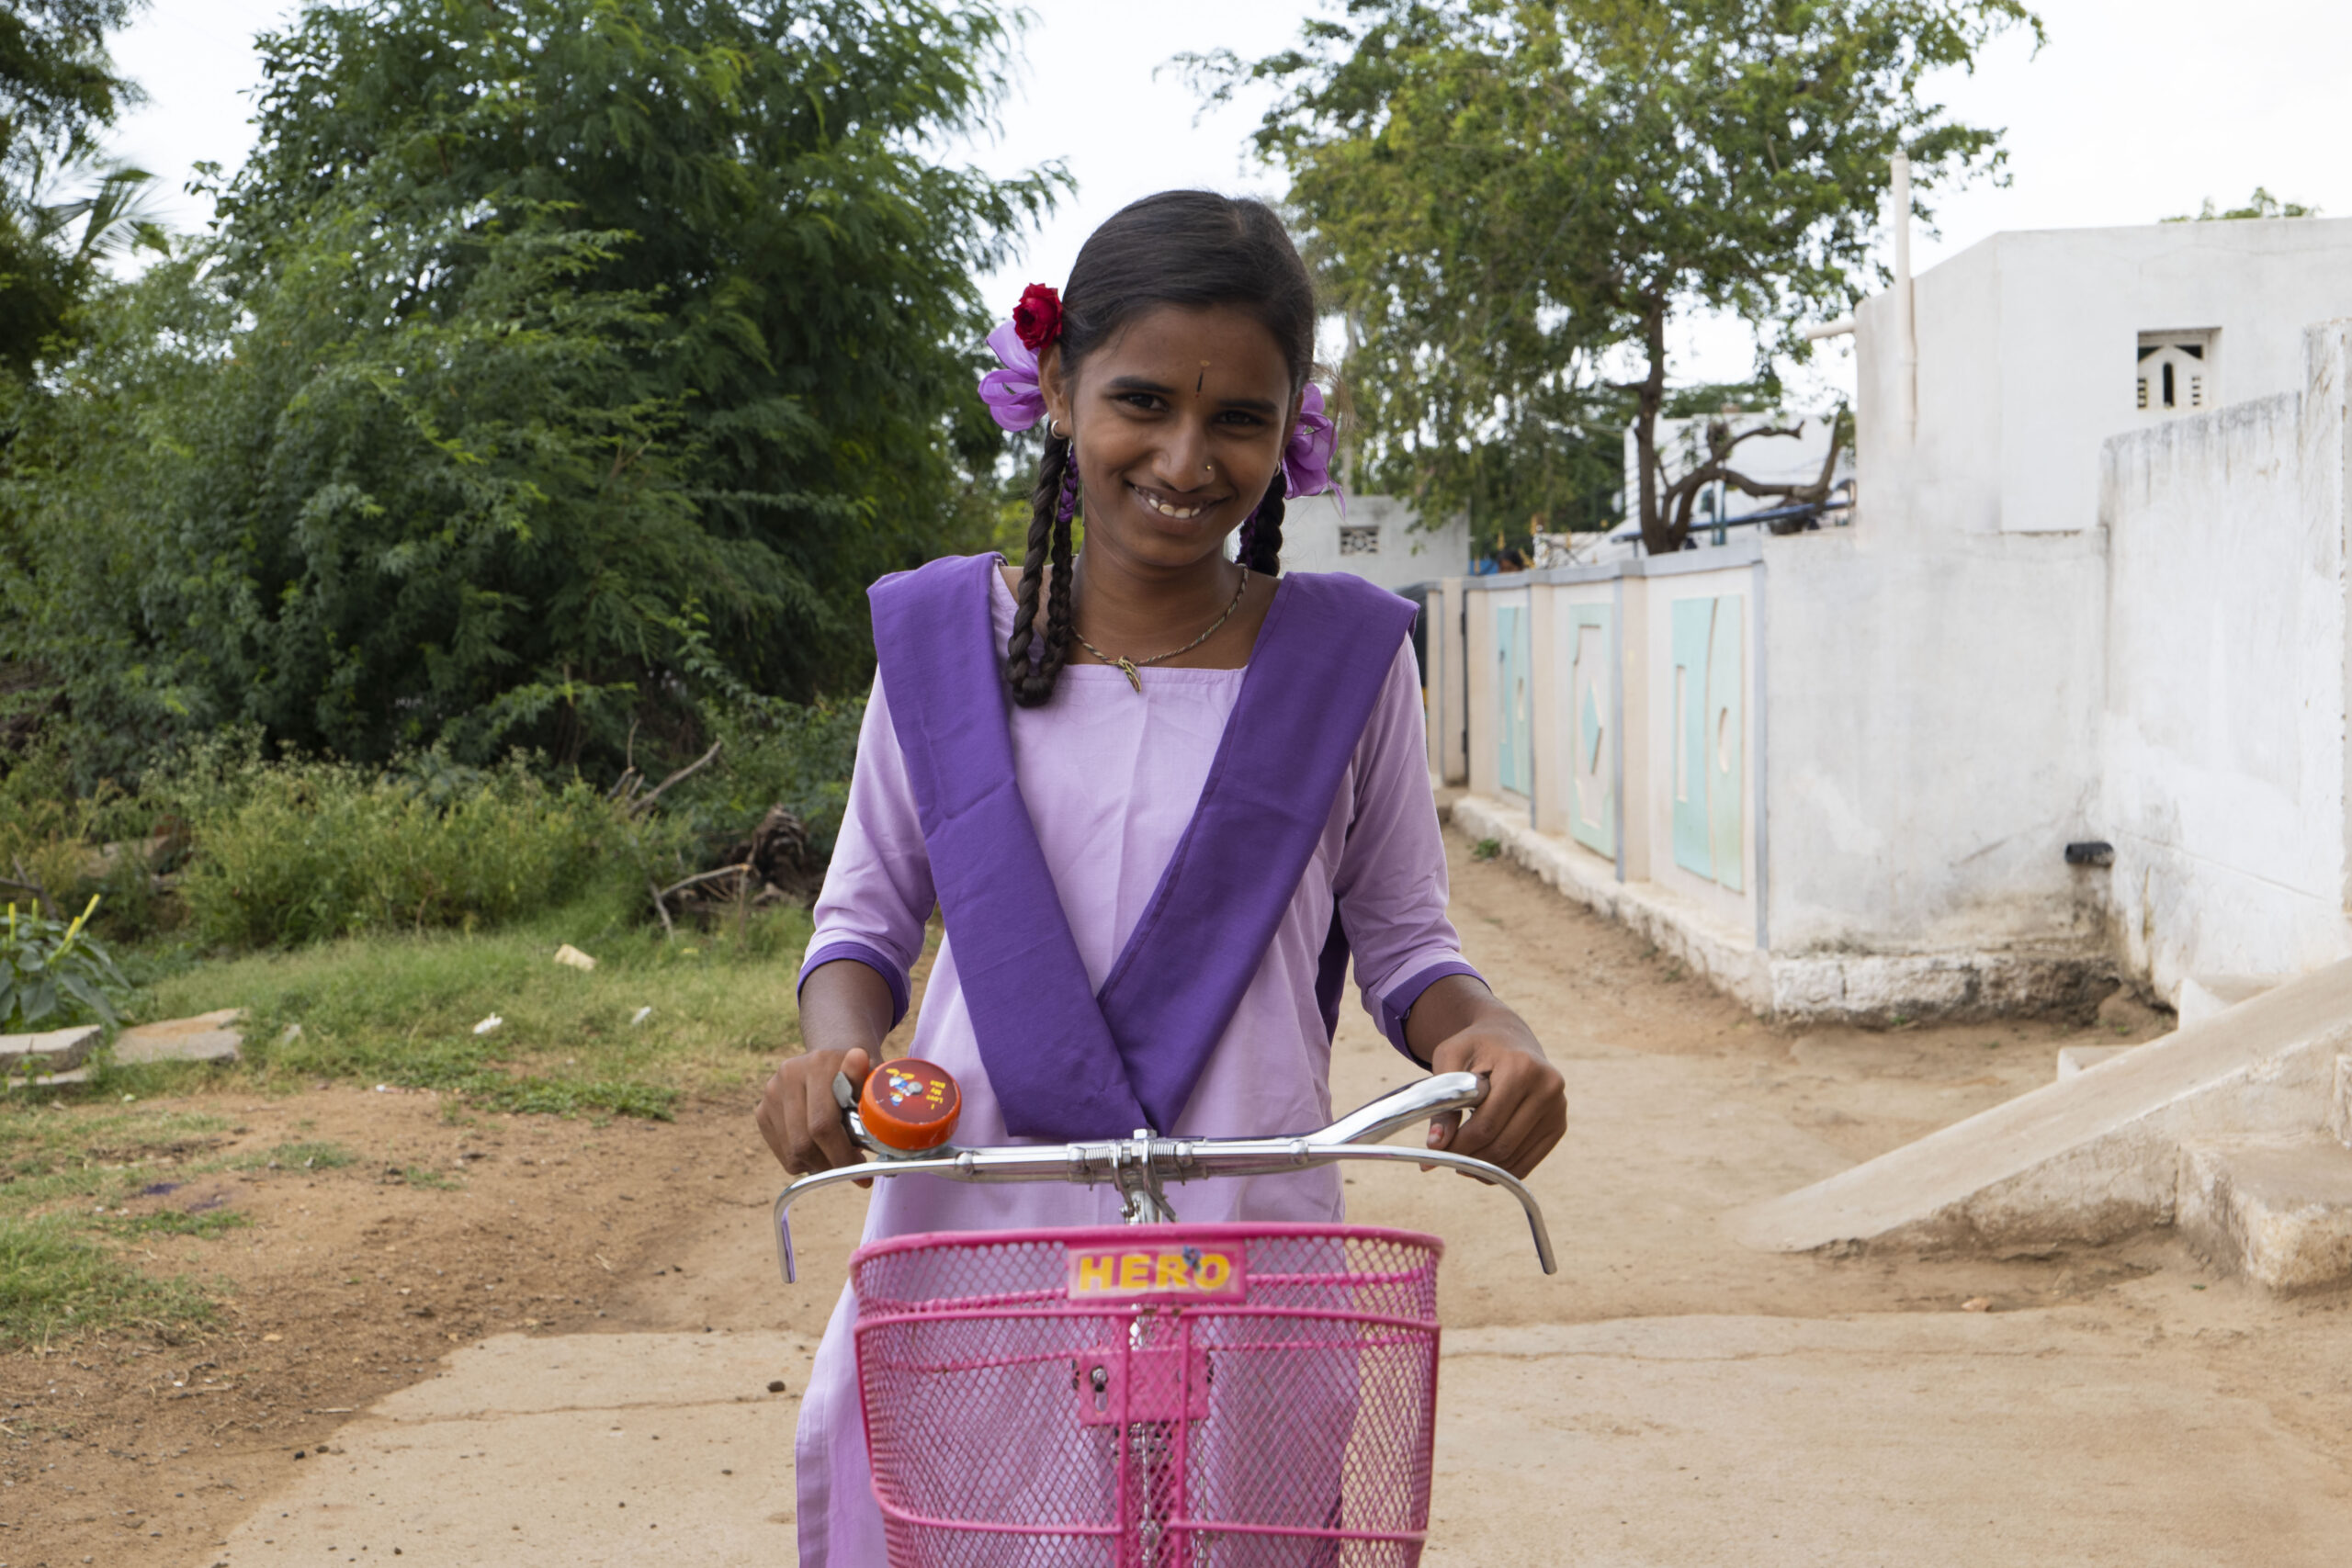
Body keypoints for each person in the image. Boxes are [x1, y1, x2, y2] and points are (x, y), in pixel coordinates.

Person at [754, 190, 1566, 1568]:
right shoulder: (939, 646)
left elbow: (1410, 945)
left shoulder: (1352, 660)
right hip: (976, 1229)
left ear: (1290, 431)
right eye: (1142, 402)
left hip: (1248, 1244)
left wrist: (1492, 1036)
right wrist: (833, 1057)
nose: (1187, 460)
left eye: (1239, 418)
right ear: (1059, 390)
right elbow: (864, 924)